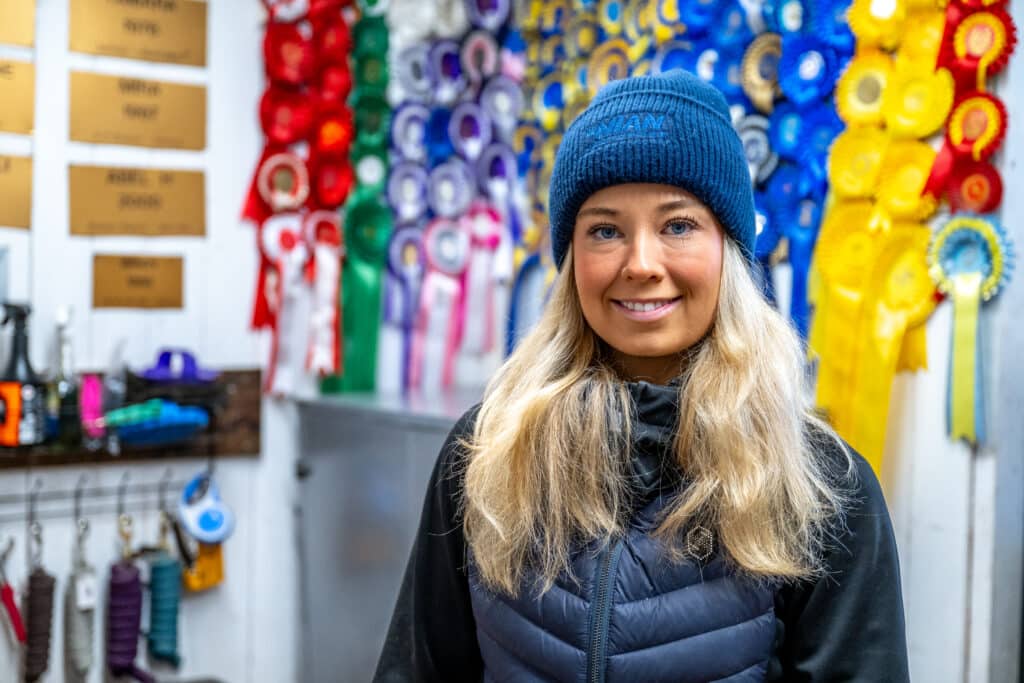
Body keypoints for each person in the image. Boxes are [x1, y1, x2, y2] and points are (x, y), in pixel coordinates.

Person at [374, 70, 909, 682]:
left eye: (678, 225)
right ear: (572, 258)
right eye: (605, 230)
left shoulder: (820, 484)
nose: (641, 264)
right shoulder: (487, 452)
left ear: (727, 250)